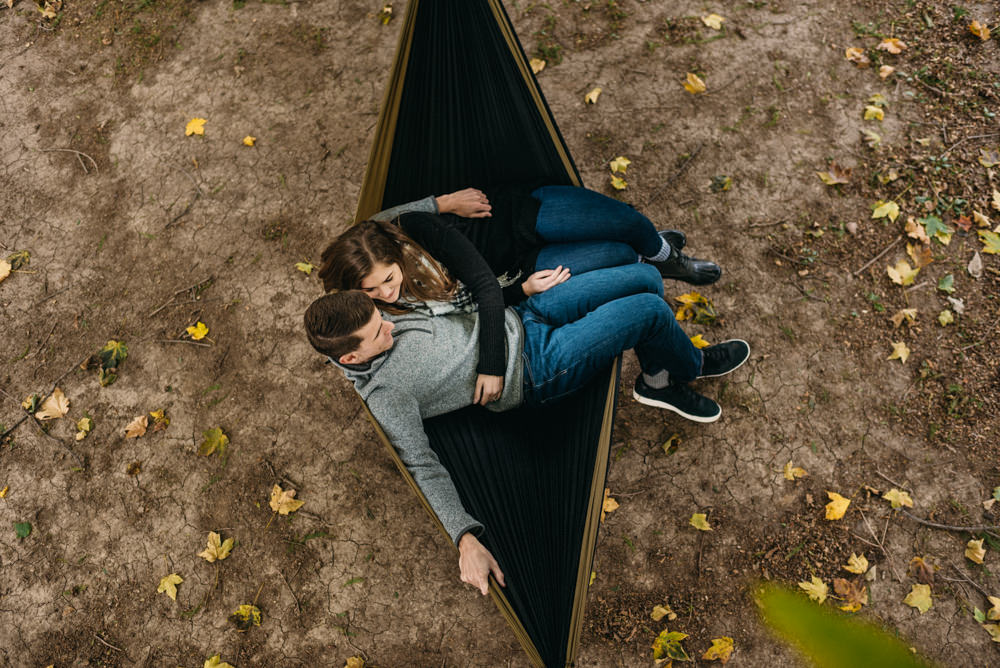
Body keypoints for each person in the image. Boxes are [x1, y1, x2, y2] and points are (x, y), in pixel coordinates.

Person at [303, 269, 750, 594]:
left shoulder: (365, 318)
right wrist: (464, 538)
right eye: (379, 333)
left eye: (381, 315)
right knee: (651, 309)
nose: (392, 324)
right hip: (538, 368)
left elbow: (456, 308)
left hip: (522, 316)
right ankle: (686, 369)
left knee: (647, 279)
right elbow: (421, 463)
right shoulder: (387, 393)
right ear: (351, 360)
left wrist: (515, 289)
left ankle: (657, 378)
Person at [318, 185, 722, 407]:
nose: (385, 292)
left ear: (392, 250)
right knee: (625, 261)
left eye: (388, 279)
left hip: (513, 224)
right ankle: (663, 372)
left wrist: (443, 202)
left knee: (631, 225)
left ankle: (665, 255)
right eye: (372, 289)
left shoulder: (403, 231)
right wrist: (522, 290)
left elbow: (481, 291)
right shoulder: (370, 310)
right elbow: (349, 348)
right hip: (521, 279)